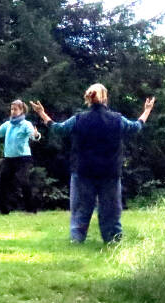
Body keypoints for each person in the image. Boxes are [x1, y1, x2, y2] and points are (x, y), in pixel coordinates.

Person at [30, 84, 154, 244]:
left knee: (80, 210)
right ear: (105, 98)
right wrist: (147, 110)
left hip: (83, 171)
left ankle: (77, 240)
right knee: (110, 211)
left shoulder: (79, 119)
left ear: (88, 98)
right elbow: (135, 127)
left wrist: (42, 113)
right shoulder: (117, 119)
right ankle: (113, 241)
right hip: (110, 172)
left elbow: (59, 129)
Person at [0, 99, 42, 214]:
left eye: (15, 109)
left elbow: (33, 136)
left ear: (21, 110)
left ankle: (30, 209)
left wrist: (36, 135)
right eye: (11, 109)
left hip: (23, 159)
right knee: (2, 183)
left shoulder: (26, 124)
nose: (13, 111)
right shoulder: (7, 125)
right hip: (8, 159)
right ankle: (4, 210)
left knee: (23, 181)